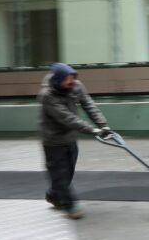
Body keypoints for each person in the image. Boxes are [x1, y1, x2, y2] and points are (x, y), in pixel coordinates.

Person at [38, 62, 111, 219]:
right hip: (53, 141)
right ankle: (70, 205)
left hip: (70, 138)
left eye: (72, 77)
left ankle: (53, 194)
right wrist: (93, 130)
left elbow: (88, 105)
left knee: (68, 172)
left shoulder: (75, 86)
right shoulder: (48, 96)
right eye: (67, 79)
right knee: (60, 174)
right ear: (57, 80)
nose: (71, 81)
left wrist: (102, 124)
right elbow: (68, 118)